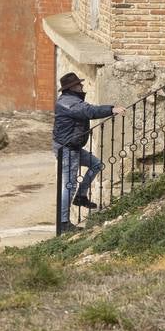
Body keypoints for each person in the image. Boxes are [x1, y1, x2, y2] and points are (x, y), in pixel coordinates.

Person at [52, 72, 115, 231]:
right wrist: (112, 109)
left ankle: (81, 197)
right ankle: (63, 223)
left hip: (72, 146)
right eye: (80, 85)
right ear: (73, 87)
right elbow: (89, 111)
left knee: (96, 164)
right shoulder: (70, 103)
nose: (82, 87)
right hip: (67, 149)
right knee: (69, 184)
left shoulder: (71, 100)